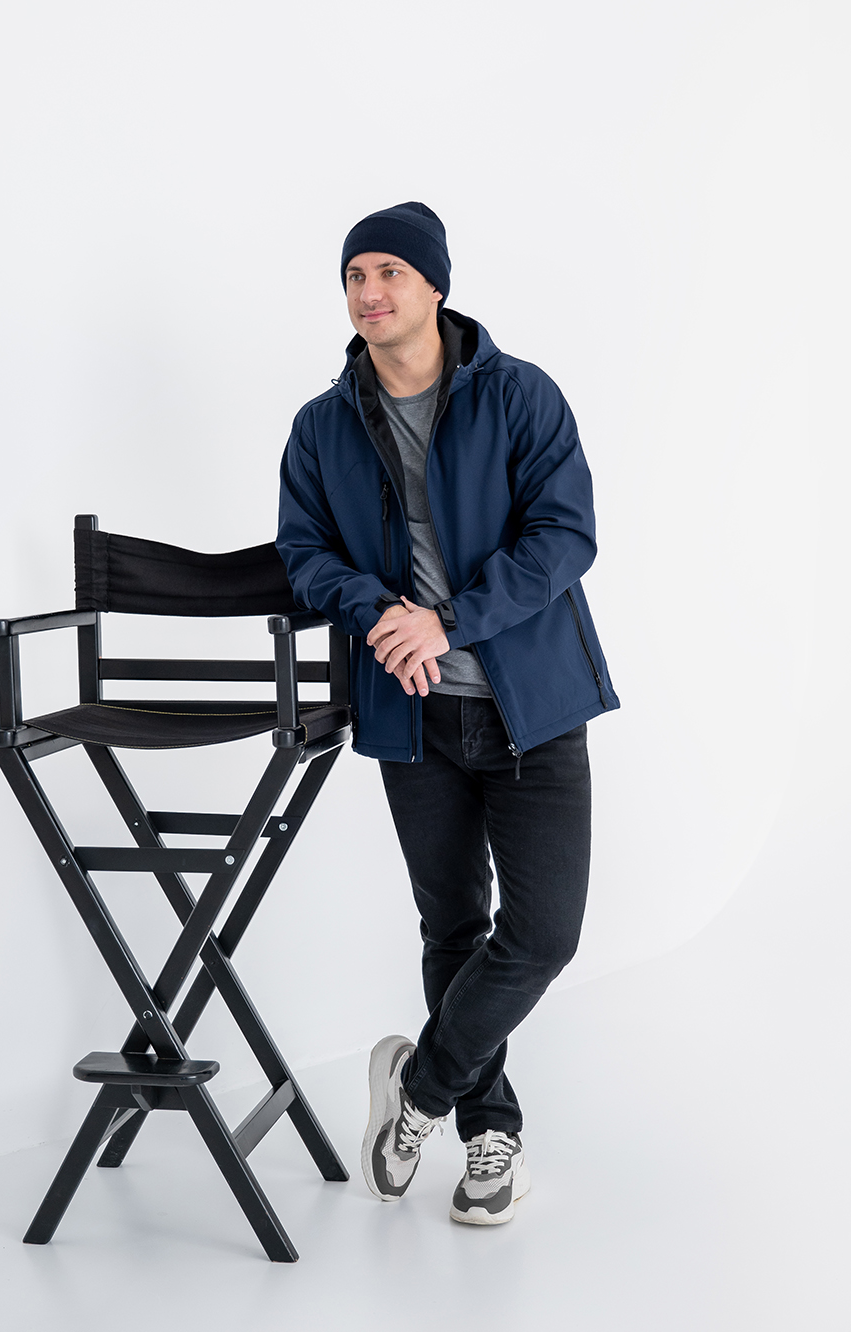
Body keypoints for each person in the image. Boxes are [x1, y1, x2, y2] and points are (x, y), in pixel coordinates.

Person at [276, 201, 619, 1226]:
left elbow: (565, 535)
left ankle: (417, 1093)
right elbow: (303, 552)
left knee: (542, 935)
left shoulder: (518, 396)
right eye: (354, 276)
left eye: (389, 271)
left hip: (532, 708)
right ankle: (488, 1134)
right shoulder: (322, 425)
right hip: (411, 716)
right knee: (454, 929)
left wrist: (449, 619)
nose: (369, 292)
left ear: (435, 285)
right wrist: (376, 610)